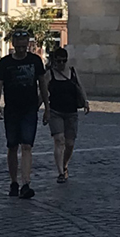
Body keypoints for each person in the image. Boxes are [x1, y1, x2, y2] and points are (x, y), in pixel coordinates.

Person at [0, 29, 48, 198]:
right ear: (14, 45)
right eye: (19, 46)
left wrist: (47, 107)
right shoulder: (5, 63)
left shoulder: (35, 61)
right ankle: (13, 182)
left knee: (27, 145)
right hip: (11, 109)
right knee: (12, 146)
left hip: (30, 109)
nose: (22, 49)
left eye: (25, 46)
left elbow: (43, 84)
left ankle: (26, 183)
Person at [45, 44, 91, 183]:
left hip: (71, 112)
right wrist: (41, 108)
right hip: (55, 112)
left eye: (63, 61)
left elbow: (80, 87)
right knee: (59, 140)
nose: (61, 64)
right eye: (58, 61)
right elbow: (43, 93)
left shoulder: (72, 71)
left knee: (70, 143)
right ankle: (60, 172)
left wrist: (85, 101)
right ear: (54, 60)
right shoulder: (50, 74)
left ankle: (65, 165)